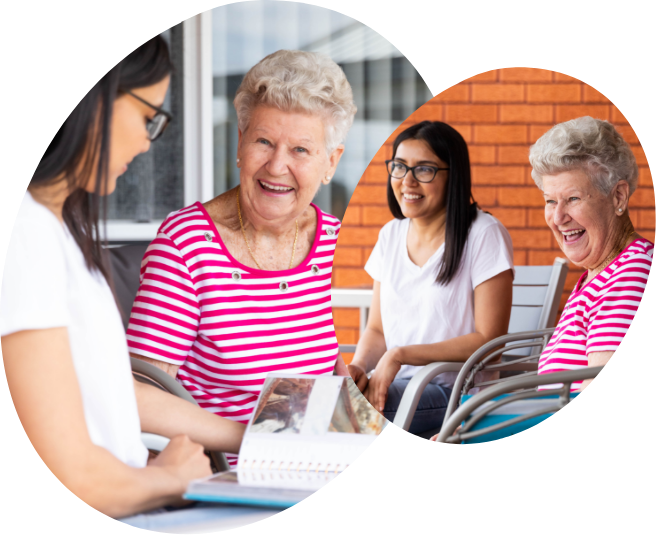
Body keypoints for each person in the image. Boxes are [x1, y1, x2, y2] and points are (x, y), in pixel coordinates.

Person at [0, 36, 245, 519]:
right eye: (147, 115)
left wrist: (252, 434)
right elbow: (78, 480)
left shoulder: (56, 231)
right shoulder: (26, 235)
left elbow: (110, 392)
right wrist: (171, 477)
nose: (147, 142)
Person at [125, 49, 357, 466]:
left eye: (301, 150)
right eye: (264, 141)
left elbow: (321, 361)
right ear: (241, 142)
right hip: (227, 479)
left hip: (321, 471)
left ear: (331, 162)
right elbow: (138, 394)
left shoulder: (331, 239)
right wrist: (254, 440)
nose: (277, 165)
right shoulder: (187, 244)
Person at [347, 121, 515, 437]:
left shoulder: (483, 234)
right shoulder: (390, 235)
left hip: (453, 393)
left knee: (338, 412)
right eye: (399, 167)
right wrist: (358, 366)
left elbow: (488, 341)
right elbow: (377, 330)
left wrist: (400, 355)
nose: (407, 181)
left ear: (454, 175)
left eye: (424, 170)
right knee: (304, 395)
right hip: (397, 385)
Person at [528, 116, 656, 392]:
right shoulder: (598, 276)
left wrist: (490, 432)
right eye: (550, 201)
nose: (558, 217)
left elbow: (603, 410)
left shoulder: (632, 277)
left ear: (618, 197)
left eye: (573, 198)